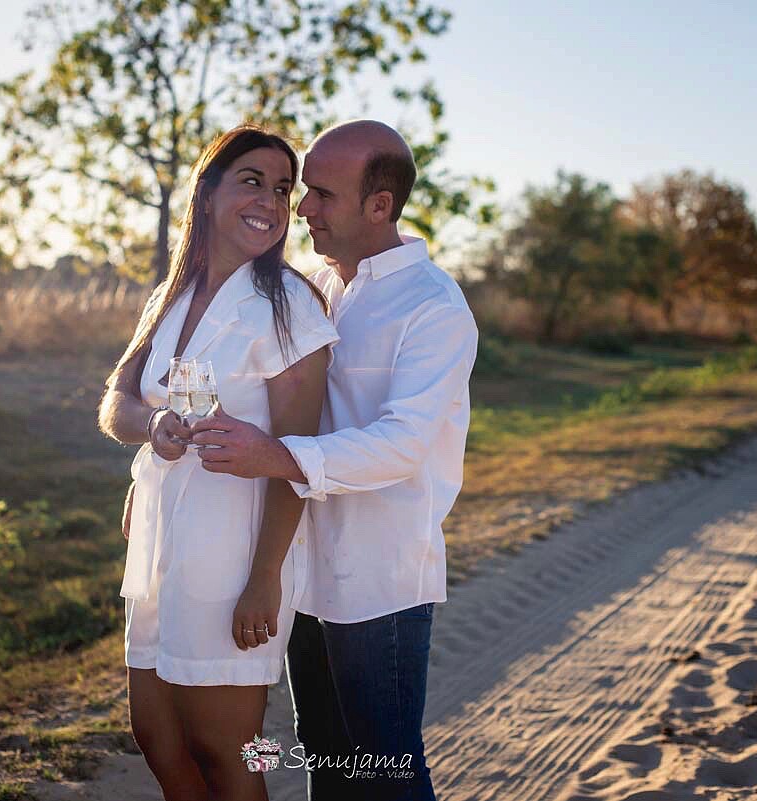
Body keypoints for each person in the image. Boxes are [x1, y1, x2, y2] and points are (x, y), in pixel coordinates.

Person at [191, 120, 479, 800]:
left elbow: (403, 445)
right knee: (326, 759)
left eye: (320, 193)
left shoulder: (435, 307)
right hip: (302, 573)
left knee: (385, 772)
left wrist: (271, 454)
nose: (302, 208)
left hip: (380, 579)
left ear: (379, 206)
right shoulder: (310, 285)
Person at [98, 124, 338, 801]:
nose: (272, 200)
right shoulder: (169, 295)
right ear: (206, 193)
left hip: (235, 553)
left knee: (226, 750)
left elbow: (298, 458)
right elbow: (116, 400)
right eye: (252, 181)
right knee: (160, 740)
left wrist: (264, 578)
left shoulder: (289, 306)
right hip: (157, 546)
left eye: (284, 189)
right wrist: (156, 426)